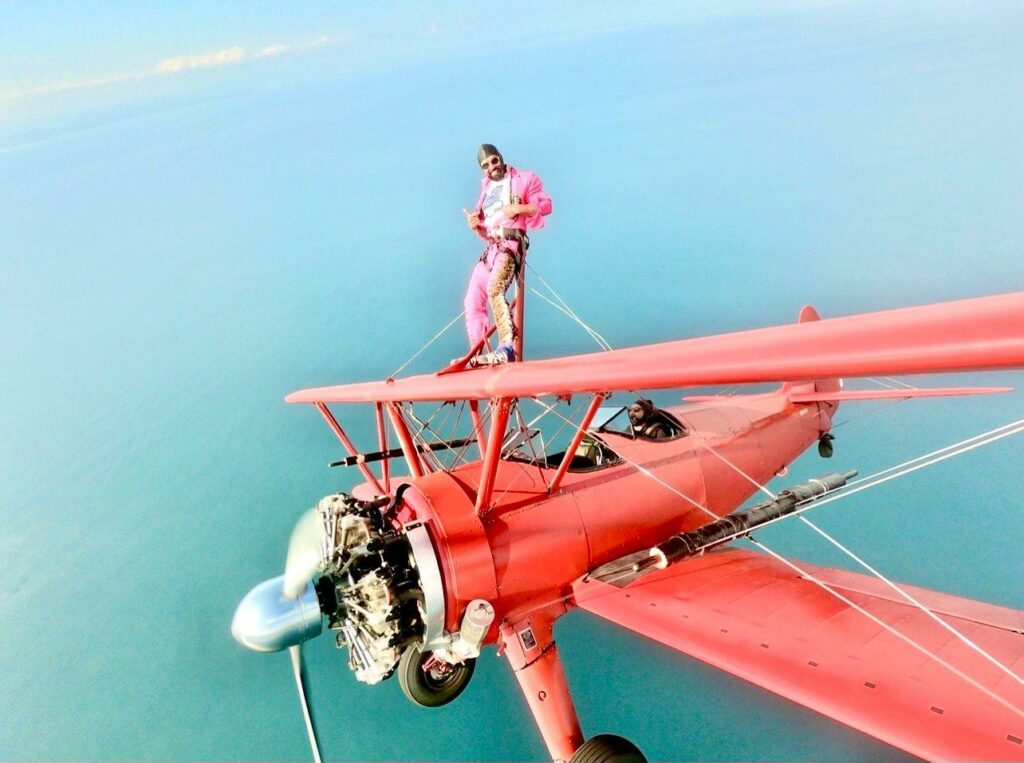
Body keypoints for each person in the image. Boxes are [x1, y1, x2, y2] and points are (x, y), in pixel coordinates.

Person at [462, 144, 552, 365]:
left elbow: (546, 205)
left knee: (495, 289)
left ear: (500, 158)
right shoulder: (486, 190)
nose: (491, 167)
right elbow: (488, 226)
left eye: (493, 161)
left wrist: (519, 209)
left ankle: (507, 347)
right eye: (485, 165)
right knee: (472, 301)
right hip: (491, 249)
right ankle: (477, 351)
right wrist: (476, 225)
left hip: (510, 245)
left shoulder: (524, 178)